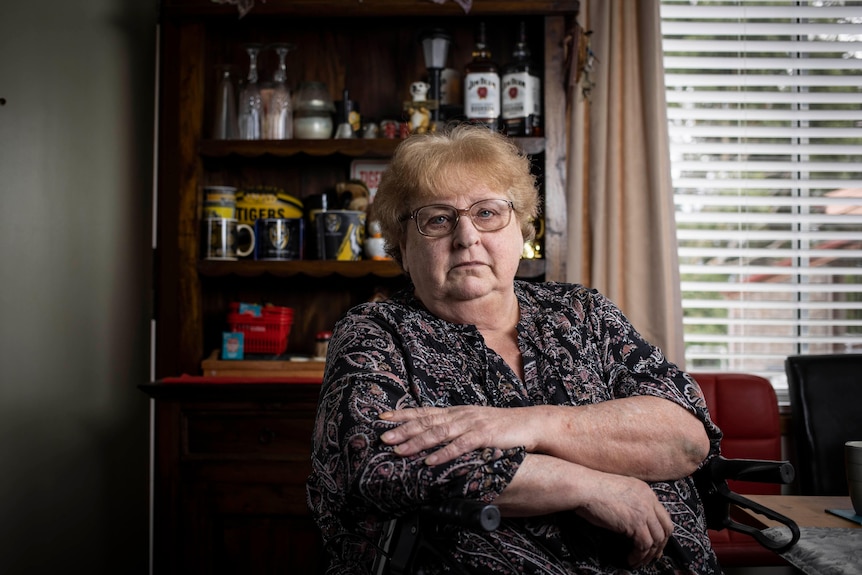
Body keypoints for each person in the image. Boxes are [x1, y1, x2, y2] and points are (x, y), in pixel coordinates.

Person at [307, 124, 723, 574]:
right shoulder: (375, 332)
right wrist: (588, 484)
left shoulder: (582, 311)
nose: (467, 237)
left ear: (521, 230)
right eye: (439, 219)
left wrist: (530, 424)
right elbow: (378, 466)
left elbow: (684, 439)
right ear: (403, 247)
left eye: (487, 213)